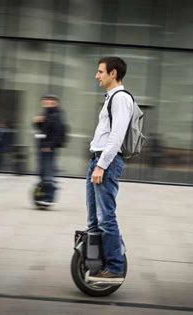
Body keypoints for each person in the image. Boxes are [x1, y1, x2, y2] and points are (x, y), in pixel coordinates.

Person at [86, 56, 133, 283]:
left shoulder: (121, 98)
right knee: (94, 220)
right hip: (97, 161)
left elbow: (116, 137)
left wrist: (101, 166)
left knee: (106, 218)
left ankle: (115, 268)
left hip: (106, 163)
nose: (96, 76)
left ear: (113, 73)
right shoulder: (110, 98)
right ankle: (97, 263)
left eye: (100, 71)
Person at [32, 94, 65, 205]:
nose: (46, 102)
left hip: (48, 148)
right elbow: (43, 130)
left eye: (49, 100)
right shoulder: (47, 113)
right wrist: (37, 122)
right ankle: (42, 196)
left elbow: (58, 132)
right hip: (42, 146)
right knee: (43, 172)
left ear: (55, 102)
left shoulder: (56, 115)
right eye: (45, 100)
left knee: (48, 173)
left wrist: (50, 145)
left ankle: (49, 197)